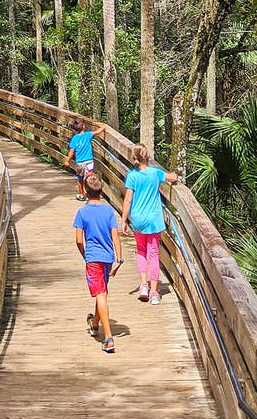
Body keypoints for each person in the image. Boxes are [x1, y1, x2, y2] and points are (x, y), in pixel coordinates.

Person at [120, 143, 178, 305]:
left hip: (138, 219)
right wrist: (174, 176)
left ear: (134, 158)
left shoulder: (132, 175)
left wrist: (124, 220)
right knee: (153, 253)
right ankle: (154, 292)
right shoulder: (155, 173)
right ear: (148, 156)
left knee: (141, 251)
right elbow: (171, 178)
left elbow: (128, 199)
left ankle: (143, 286)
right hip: (153, 220)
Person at [73, 173, 123, 353]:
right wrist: (119, 258)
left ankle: (108, 338)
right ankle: (94, 324)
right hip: (108, 258)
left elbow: (79, 240)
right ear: (101, 192)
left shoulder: (82, 212)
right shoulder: (108, 211)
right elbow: (115, 236)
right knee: (101, 290)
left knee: (100, 293)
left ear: (85, 192)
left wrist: (85, 255)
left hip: (93, 257)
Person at [63, 118, 105, 201]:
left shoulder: (74, 139)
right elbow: (97, 132)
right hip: (89, 161)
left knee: (80, 179)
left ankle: (82, 194)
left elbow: (71, 152)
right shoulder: (88, 135)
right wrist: (103, 127)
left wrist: (67, 161)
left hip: (79, 163)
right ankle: (91, 194)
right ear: (83, 127)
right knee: (89, 178)